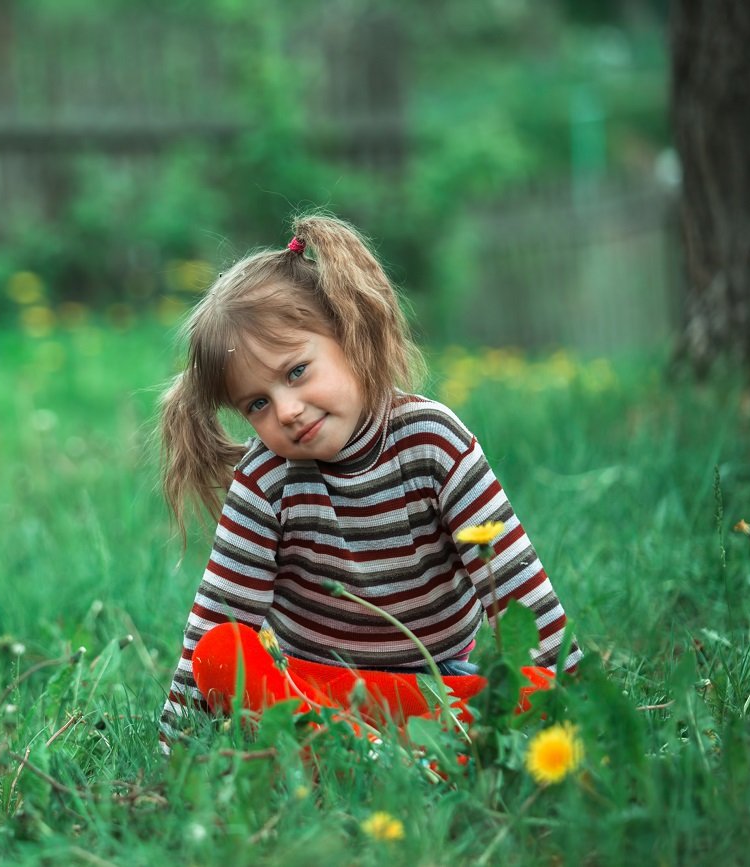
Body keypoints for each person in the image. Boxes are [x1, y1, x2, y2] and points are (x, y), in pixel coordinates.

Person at [156, 213, 581, 747]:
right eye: (258, 403)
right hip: (318, 689)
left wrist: (578, 698)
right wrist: (173, 743)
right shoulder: (266, 479)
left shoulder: (432, 441)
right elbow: (219, 614)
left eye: (296, 372)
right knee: (221, 653)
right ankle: (343, 747)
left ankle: (380, 751)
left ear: (348, 333)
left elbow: (518, 586)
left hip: (438, 685)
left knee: (533, 695)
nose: (286, 411)